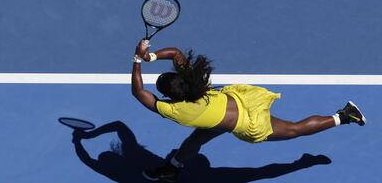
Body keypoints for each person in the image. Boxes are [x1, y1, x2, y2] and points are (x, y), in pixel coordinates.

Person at [131, 39, 366, 182]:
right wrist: (147, 56)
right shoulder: (194, 82)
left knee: (294, 130)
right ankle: (172, 169)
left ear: (172, 98)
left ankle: (344, 116)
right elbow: (174, 53)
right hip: (240, 99)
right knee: (197, 137)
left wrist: (135, 60)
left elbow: (138, 92)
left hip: (248, 122)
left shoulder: (177, 111)